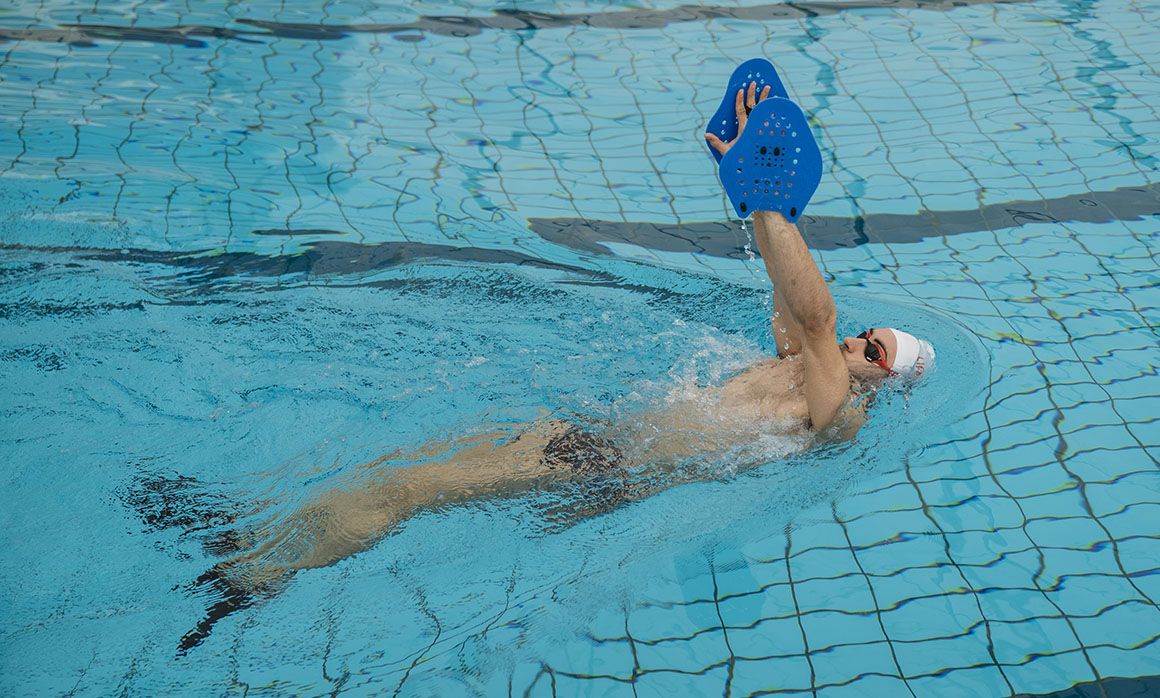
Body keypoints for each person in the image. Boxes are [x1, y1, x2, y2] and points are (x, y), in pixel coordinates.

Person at [177, 82, 934, 651]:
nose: (858, 343)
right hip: (596, 444)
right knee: (397, 470)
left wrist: (771, 199)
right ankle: (246, 537)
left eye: (877, 352)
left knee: (408, 489)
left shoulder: (837, 414)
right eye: (871, 334)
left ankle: (254, 577)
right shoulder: (801, 364)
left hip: (606, 465)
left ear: (883, 383)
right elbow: (790, 289)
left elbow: (818, 313)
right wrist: (748, 181)